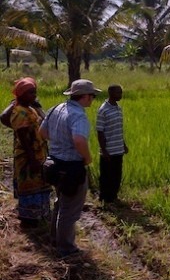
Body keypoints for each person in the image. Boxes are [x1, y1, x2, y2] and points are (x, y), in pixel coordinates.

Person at [39, 79, 101, 257]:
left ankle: (55, 238)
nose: (93, 99)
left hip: (54, 164)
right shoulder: (78, 116)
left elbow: (42, 132)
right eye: (92, 95)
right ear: (85, 96)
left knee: (60, 202)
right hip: (72, 168)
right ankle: (66, 248)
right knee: (69, 209)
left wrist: (59, 142)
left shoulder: (56, 109)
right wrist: (87, 158)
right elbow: (79, 140)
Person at [8, 78, 52, 227]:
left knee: (39, 183)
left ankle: (39, 214)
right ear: (20, 95)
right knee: (29, 184)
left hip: (38, 154)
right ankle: (29, 217)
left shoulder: (30, 108)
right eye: (30, 93)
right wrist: (32, 159)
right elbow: (23, 138)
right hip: (28, 157)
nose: (34, 95)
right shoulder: (19, 111)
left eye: (34, 92)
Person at [96, 84, 128, 204]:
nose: (120, 95)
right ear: (110, 94)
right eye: (118, 92)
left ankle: (113, 197)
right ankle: (104, 198)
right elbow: (100, 132)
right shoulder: (103, 110)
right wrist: (104, 150)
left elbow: (118, 129)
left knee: (116, 175)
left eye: (121, 92)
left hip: (118, 149)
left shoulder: (118, 108)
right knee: (106, 176)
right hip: (108, 150)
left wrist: (123, 145)